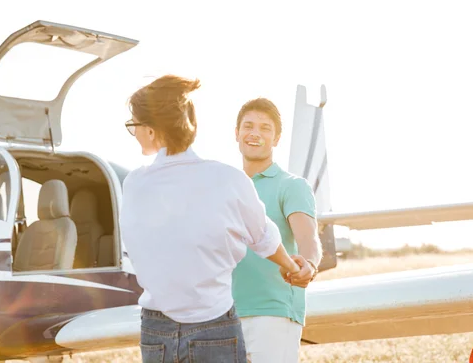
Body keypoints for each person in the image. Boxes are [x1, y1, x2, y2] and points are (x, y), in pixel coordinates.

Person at [119, 75, 302, 363]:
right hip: (214, 325)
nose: (134, 133)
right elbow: (263, 237)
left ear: (152, 131)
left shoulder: (133, 184)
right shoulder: (228, 179)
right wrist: (291, 266)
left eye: (134, 126)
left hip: (155, 331)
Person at [232, 97, 323, 363]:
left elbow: (308, 238)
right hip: (223, 313)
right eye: (248, 126)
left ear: (277, 138)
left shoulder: (291, 185)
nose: (255, 134)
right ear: (236, 133)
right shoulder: (226, 187)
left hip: (273, 312)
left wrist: (309, 264)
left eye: (265, 128)